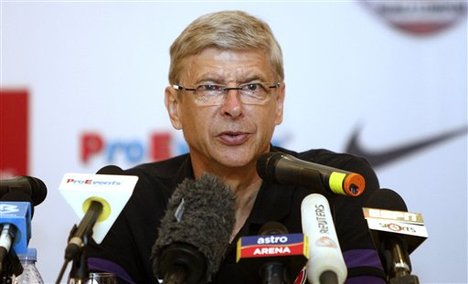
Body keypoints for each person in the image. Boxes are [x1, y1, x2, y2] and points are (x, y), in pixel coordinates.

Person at [86, 10, 386, 283]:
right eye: (210, 87)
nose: (233, 108)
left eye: (252, 87)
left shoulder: (332, 186)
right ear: (175, 107)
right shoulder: (130, 199)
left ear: (278, 103)